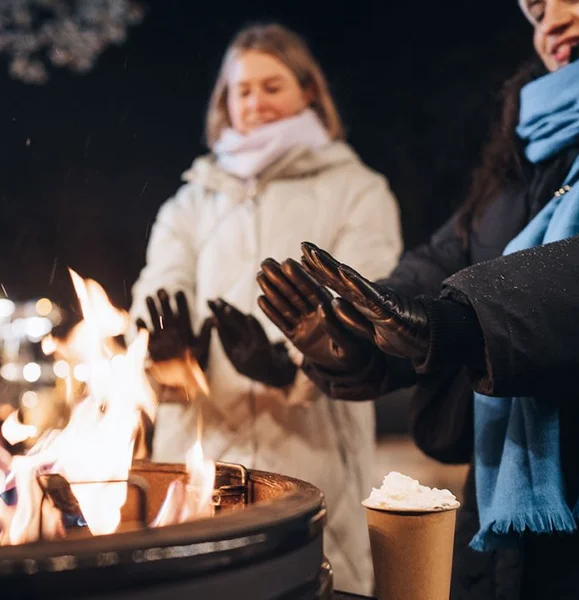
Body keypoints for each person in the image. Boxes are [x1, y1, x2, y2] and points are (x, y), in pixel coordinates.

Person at [257, 1, 579, 598]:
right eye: (534, 5)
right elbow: (440, 269)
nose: (549, 18)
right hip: (507, 532)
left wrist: (460, 320)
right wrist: (358, 341)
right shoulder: (524, 153)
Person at [129, 23, 402, 595]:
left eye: (271, 86)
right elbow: (160, 283)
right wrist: (164, 347)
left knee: (305, 583)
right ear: (223, 103)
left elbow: (364, 301)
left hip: (312, 445)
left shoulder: (358, 190)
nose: (255, 102)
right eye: (241, 90)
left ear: (308, 90)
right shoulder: (190, 200)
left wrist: (288, 364)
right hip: (199, 451)